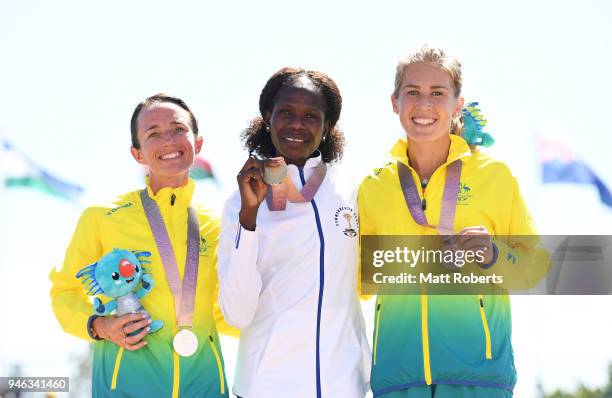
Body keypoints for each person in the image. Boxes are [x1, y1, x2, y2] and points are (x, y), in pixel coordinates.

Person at [358, 46, 550, 398]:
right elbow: (360, 281)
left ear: (457, 103)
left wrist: (494, 255)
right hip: (398, 380)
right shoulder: (374, 187)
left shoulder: (495, 175)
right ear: (394, 102)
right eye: (412, 92)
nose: (424, 104)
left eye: (438, 93)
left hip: (480, 378)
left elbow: (535, 266)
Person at [50, 94, 234, 398]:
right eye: (153, 134)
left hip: (206, 387)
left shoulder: (220, 225)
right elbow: (64, 291)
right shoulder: (102, 217)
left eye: (178, 129)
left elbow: (228, 311)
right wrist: (100, 326)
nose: (168, 140)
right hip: (126, 388)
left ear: (197, 143)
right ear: (138, 154)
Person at [217, 67, 370, 398]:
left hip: (344, 387)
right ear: (268, 116)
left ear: (327, 127)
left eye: (311, 116)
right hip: (266, 387)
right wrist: (249, 217)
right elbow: (237, 313)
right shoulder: (239, 203)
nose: (297, 124)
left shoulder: (351, 190)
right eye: (286, 112)